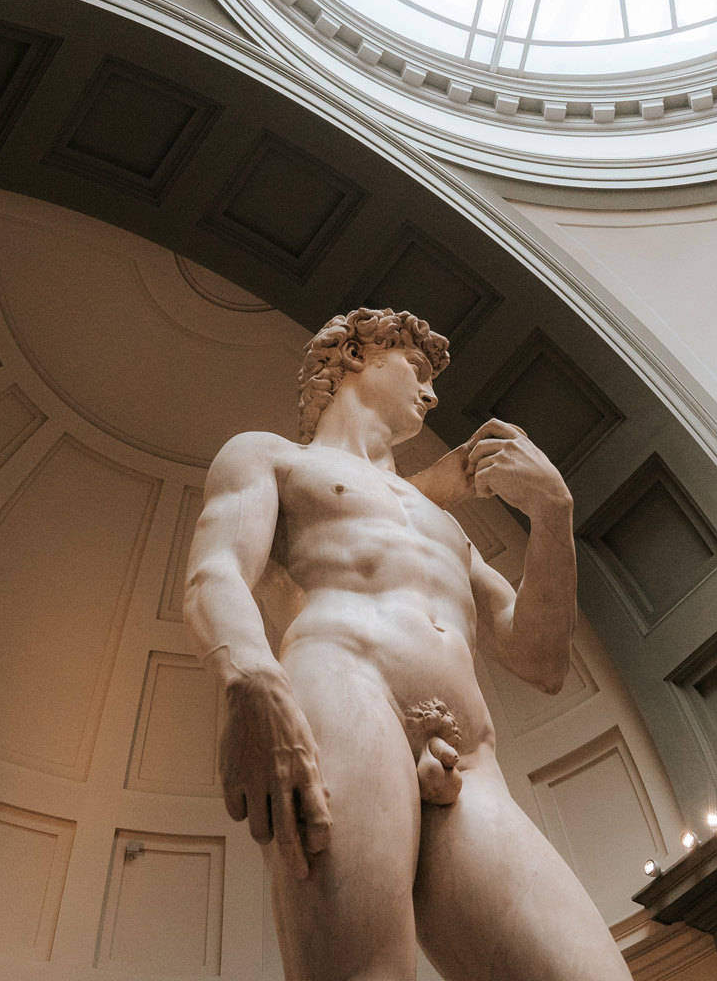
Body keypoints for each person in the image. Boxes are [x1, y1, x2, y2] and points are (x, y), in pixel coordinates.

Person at [183, 307, 634, 981]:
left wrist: (552, 514)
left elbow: (540, 660)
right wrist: (251, 678)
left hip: (469, 751)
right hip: (344, 688)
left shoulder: (440, 521)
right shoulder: (273, 457)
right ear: (354, 355)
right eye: (417, 369)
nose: (432, 393)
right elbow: (215, 571)